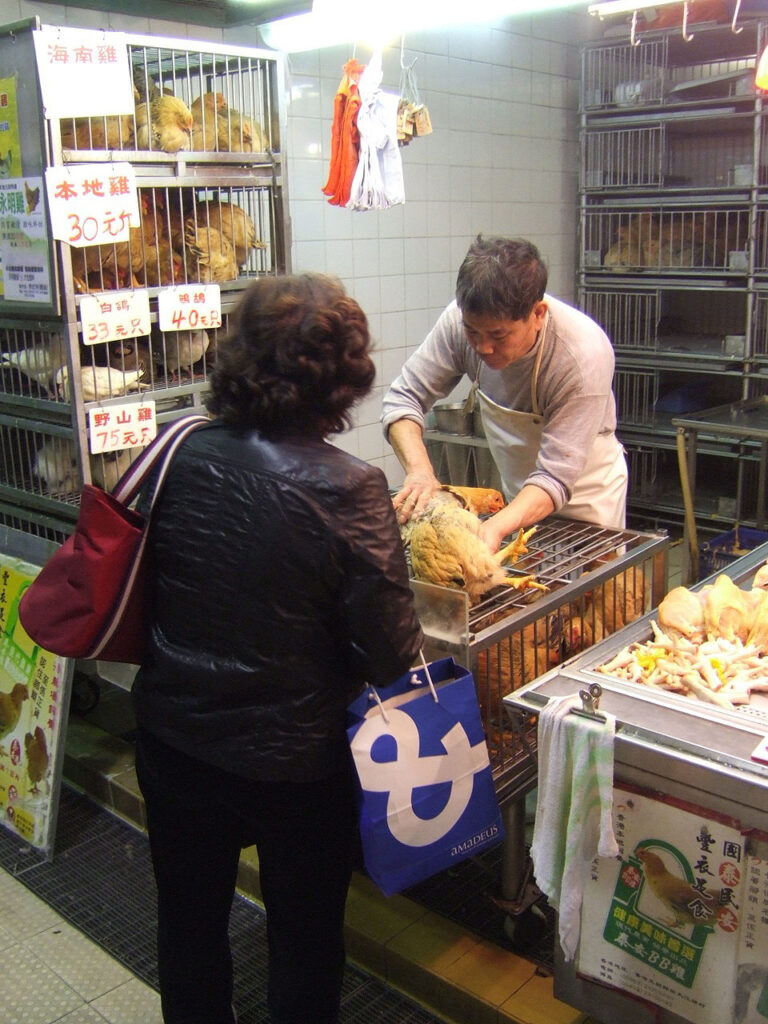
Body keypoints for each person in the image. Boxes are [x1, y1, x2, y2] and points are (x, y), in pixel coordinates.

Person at [132, 273, 424, 1024]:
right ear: (344, 376)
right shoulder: (351, 487)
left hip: (175, 740)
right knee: (303, 940)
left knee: (188, 927)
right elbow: (391, 655)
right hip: (297, 768)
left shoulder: (177, 452)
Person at [382, 235, 627, 551]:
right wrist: (420, 472)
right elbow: (403, 399)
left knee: (595, 593)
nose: (483, 347)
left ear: (538, 314)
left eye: (498, 335)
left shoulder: (582, 356)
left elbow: (554, 478)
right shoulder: (459, 323)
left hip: (587, 498)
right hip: (519, 496)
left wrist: (494, 528)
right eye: (473, 332)